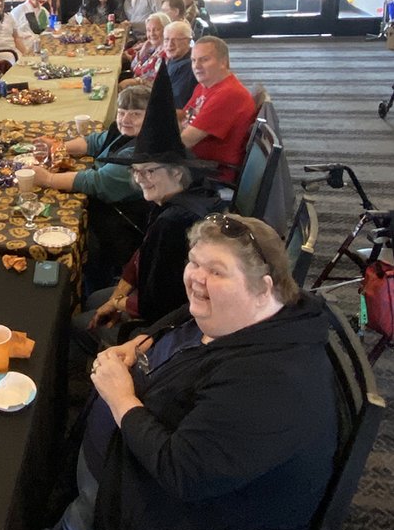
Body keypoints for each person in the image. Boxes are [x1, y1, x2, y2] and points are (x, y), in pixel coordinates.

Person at [26, 214, 338, 530]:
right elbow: (186, 318)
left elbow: (183, 473)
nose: (196, 278)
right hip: (195, 471)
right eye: (195, 262)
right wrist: (141, 344)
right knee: (88, 492)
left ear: (264, 289)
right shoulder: (259, 314)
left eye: (217, 271)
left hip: (221, 529)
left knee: (96, 508)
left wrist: (120, 399)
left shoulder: (270, 384)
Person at [73, 66, 223, 354]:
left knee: (79, 324)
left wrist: (119, 304)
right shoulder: (180, 196)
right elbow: (144, 254)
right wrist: (119, 292)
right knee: (94, 300)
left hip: (178, 325)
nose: (140, 178)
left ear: (178, 173)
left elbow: (161, 303)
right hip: (166, 298)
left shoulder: (175, 221)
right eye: (137, 171)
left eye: (150, 171)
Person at [29, 85, 151, 291]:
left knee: (69, 227)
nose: (125, 119)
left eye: (136, 114)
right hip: (111, 207)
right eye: (121, 112)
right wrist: (58, 147)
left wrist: (48, 179)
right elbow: (94, 142)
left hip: (121, 221)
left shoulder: (142, 149)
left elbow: (97, 182)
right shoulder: (124, 131)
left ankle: (89, 285)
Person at [181, 36, 256, 182]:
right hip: (192, 161)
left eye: (204, 60)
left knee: (132, 165)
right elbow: (183, 118)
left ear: (223, 62)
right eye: (193, 60)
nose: (196, 66)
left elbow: (185, 141)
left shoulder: (228, 94)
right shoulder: (204, 86)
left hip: (209, 173)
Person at [120, 12, 169, 87]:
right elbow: (133, 67)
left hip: (145, 92)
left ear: (166, 29)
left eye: (156, 29)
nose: (152, 33)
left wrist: (137, 81)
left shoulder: (167, 53)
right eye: (148, 30)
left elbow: (157, 82)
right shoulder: (152, 48)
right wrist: (142, 51)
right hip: (135, 84)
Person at [162, 19, 197, 108]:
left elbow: (177, 102)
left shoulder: (189, 66)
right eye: (166, 39)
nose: (170, 44)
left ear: (188, 41)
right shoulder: (174, 58)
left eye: (176, 40)